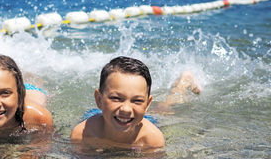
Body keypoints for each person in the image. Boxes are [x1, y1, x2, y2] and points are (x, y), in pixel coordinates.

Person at [71, 56, 201, 150]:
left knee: (164, 109)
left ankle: (183, 83)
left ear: (147, 104)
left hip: (140, 120)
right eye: (116, 98)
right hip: (97, 116)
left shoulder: (152, 139)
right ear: (99, 100)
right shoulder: (82, 134)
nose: (126, 109)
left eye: (137, 100)